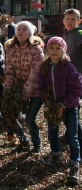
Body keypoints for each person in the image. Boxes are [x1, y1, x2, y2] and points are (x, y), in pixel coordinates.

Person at [38, 36, 81, 186]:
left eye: (58, 48)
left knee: (72, 135)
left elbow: (77, 88)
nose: (54, 51)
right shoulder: (44, 67)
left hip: (69, 106)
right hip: (53, 106)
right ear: (47, 49)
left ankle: (75, 163)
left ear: (63, 50)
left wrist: (64, 104)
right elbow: (41, 86)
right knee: (52, 132)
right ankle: (56, 154)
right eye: (52, 48)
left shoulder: (68, 67)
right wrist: (48, 100)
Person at [4, 21, 44, 152]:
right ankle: (24, 141)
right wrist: (8, 91)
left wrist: (24, 94)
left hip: (36, 91)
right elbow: (9, 71)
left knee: (29, 119)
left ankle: (37, 145)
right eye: (18, 29)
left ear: (30, 33)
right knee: (10, 115)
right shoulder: (11, 49)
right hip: (17, 89)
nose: (20, 31)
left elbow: (34, 75)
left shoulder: (36, 50)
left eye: (24, 29)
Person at [63, 8, 82, 161]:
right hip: (67, 78)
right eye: (68, 19)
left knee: (72, 110)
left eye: (73, 19)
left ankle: (77, 140)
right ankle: (69, 134)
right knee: (69, 109)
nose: (70, 22)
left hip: (78, 79)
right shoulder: (67, 33)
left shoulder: (79, 34)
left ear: (79, 21)